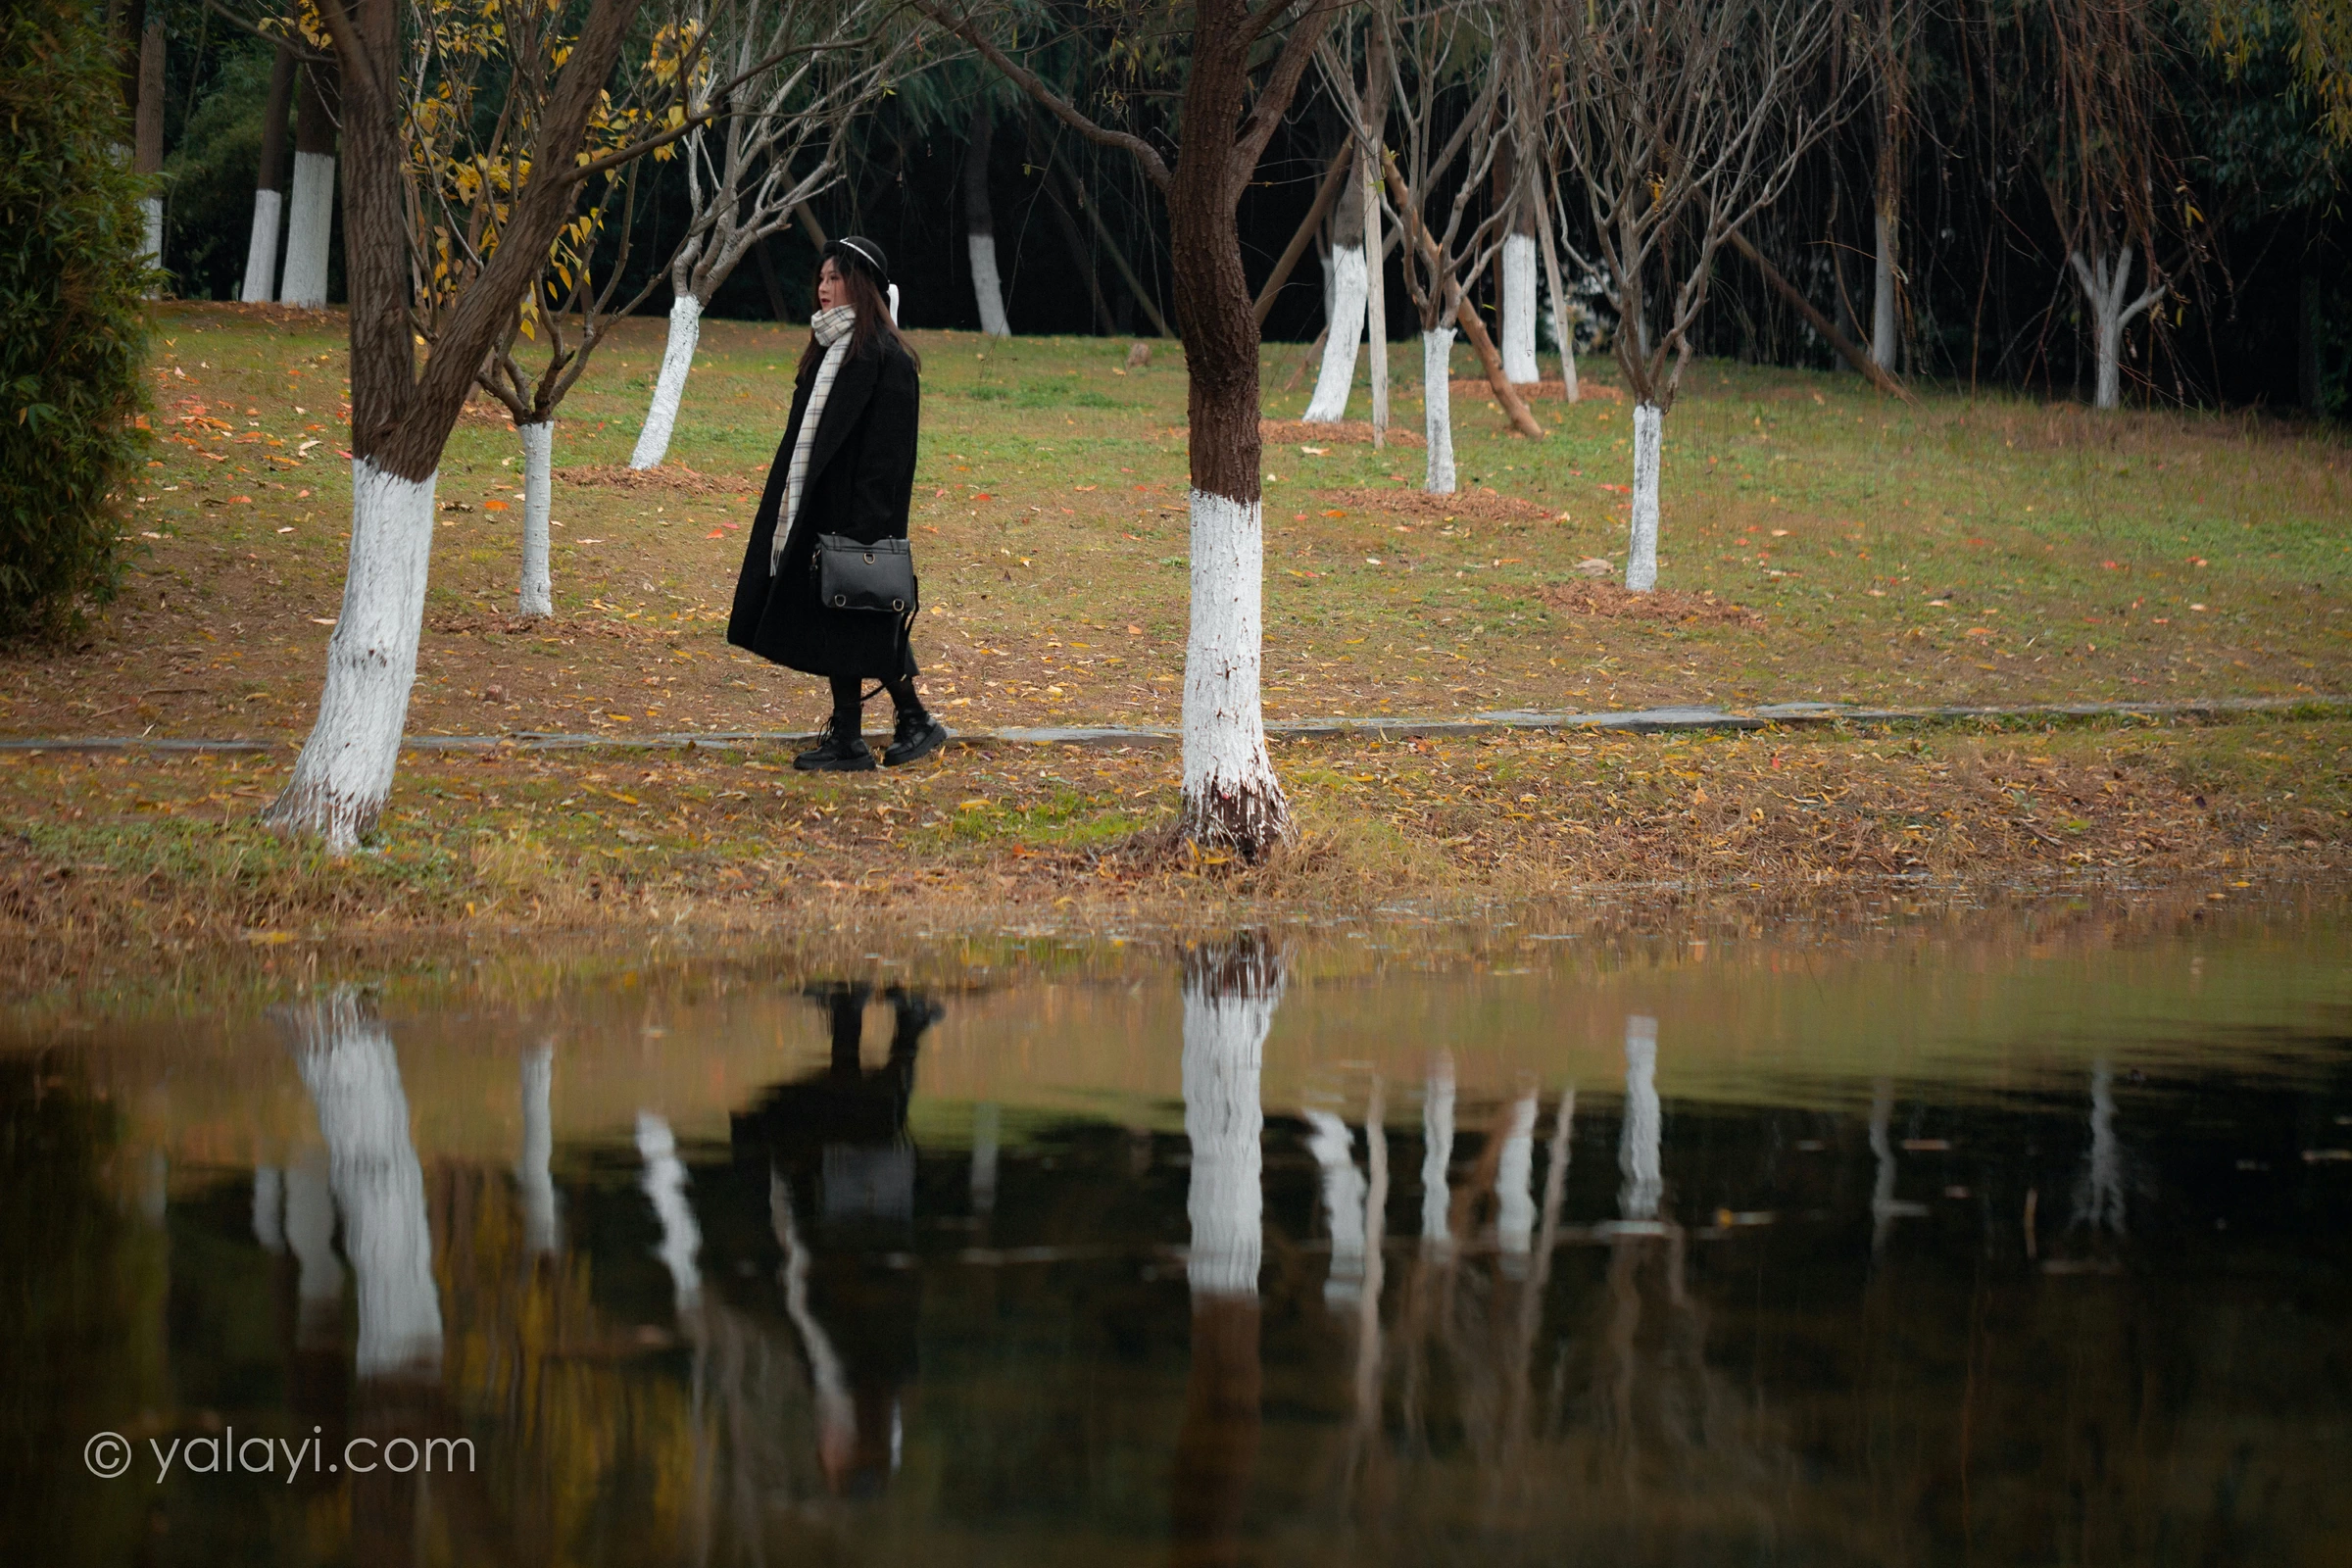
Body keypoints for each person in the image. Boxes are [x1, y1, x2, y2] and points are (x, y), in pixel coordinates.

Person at [728, 236, 949, 771]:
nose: (824, 290)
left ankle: (892, 726)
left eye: (835, 279)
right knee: (845, 619)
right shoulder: (827, 352)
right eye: (821, 280)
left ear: (862, 285)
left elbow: (892, 458)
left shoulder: (887, 360)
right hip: (816, 508)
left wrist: (866, 527)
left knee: (858, 616)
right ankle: (874, 730)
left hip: (858, 518)